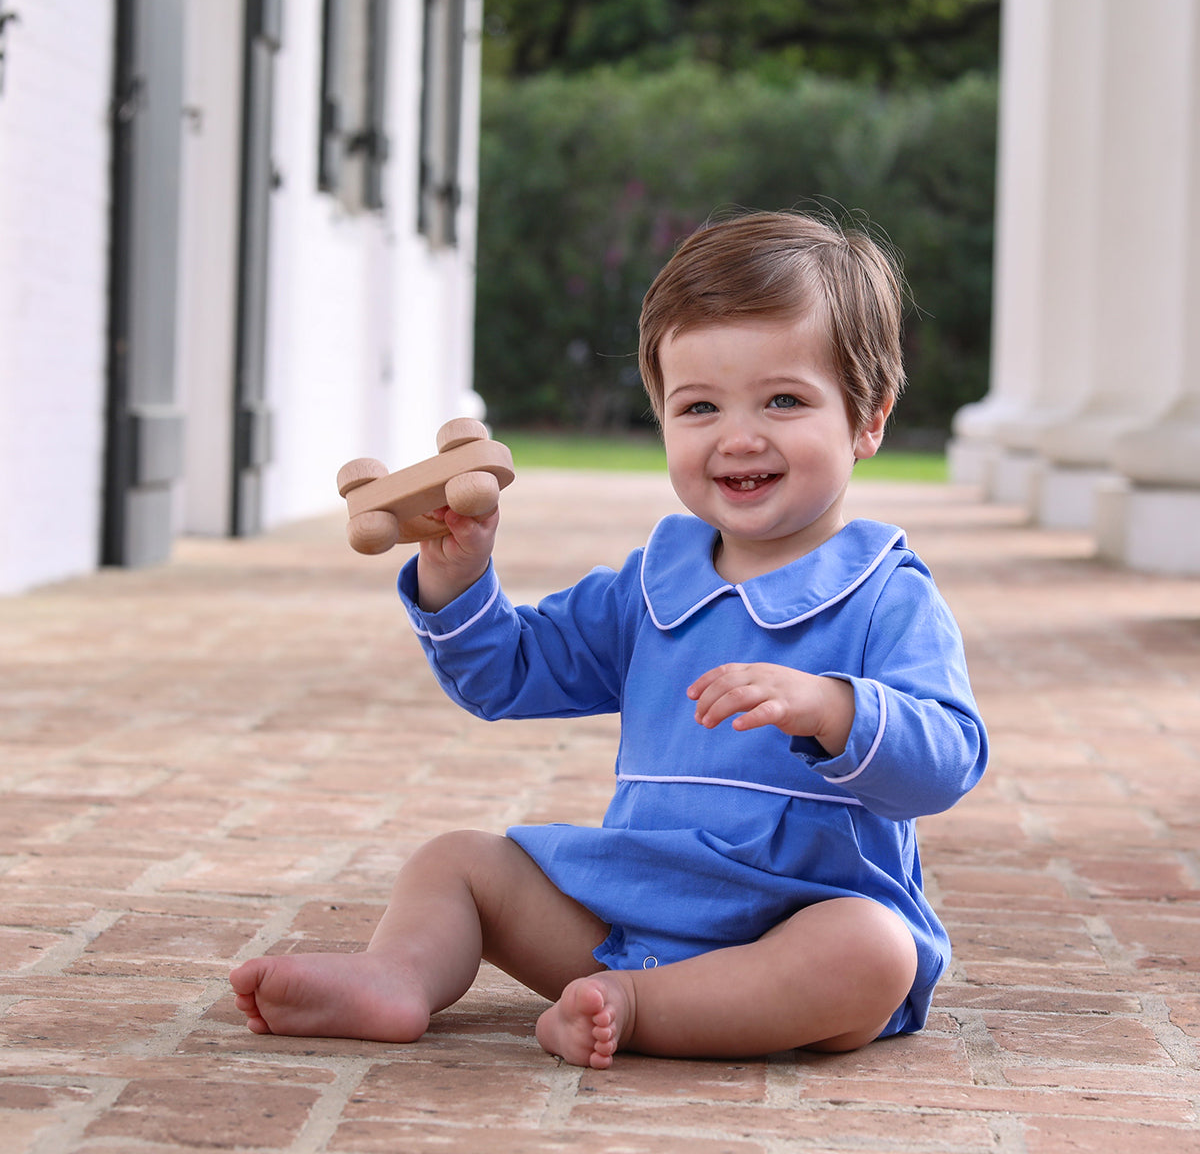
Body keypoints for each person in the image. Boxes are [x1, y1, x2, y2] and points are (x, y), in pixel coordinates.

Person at [230, 210, 987, 1069]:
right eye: (699, 406)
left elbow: (948, 758)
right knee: (458, 862)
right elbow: (505, 676)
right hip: (633, 918)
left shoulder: (886, 593)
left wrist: (833, 707)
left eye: (784, 399)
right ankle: (397, 975)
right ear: (662, 417)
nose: (739, 436)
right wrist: (457, 571)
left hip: (795, 934)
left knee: (872, 951)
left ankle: (634, 1008)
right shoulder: (652, 586)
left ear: (868, 419)